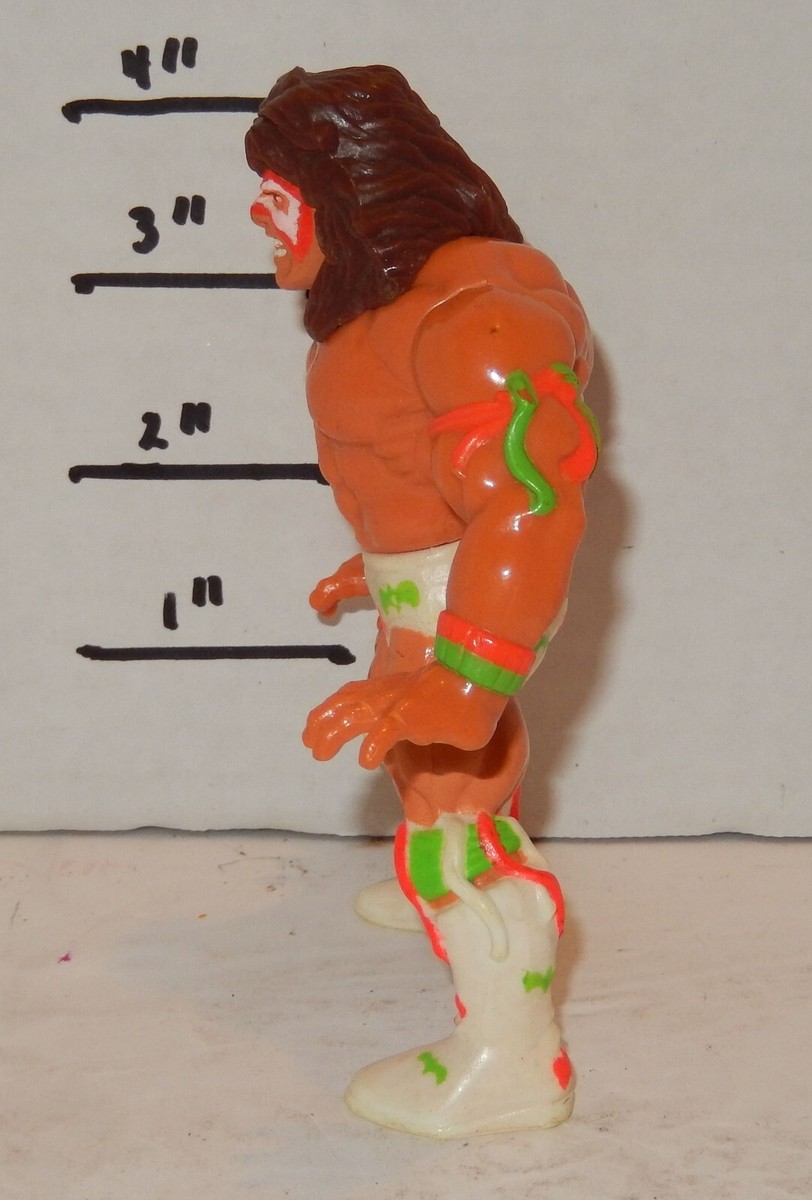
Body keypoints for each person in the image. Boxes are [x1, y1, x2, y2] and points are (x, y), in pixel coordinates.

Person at [247, 65, 597, 1138]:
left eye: (279, 194)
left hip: (470, 614)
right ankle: (442, 875)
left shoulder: (473, 316)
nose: (261, 220)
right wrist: (374, 566)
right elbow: (425, 477)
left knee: (451, 829)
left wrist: (465, 676)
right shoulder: (389, 311)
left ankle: (510, 1061)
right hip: (430, 598)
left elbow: (525, 506)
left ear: (347, 190)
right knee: (431, 778)